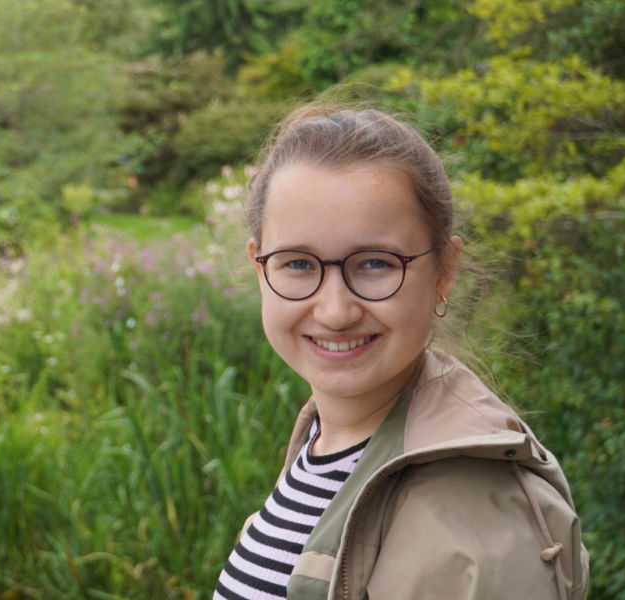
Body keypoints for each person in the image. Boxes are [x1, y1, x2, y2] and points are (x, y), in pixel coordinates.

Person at [213, 105, 589, 600]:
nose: (335, 311)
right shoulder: (326, 443)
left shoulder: (466, 512)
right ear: (260, 268)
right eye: (298, 263)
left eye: (375, 263)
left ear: (444, 271)